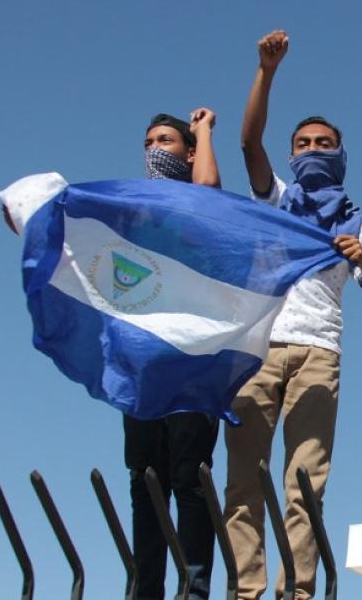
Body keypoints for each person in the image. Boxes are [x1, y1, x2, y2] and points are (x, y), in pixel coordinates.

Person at [224, 30, 362, 600]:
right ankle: (246, 590)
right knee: (244, 477)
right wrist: (265, 72)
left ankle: (297, 590)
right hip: (259, 351)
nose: (312, 148)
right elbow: (248, 145)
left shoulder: (357, 222)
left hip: (320, 354)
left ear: (340, 154)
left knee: (305, 482)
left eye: (323, 142)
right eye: (303, 142)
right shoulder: (277, 202)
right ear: (292, 155)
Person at [126, 109, 222, 600]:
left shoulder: (196, 205)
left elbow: (206, 189)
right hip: (144, 360)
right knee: (146, 480)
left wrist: (203, 131)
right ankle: (147, 589)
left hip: (193, 358)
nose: (154, 150)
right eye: (148, 142)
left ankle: (194, 588)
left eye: (165, 140)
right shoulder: (135, 208)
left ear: (187, 152)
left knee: (190, 476)